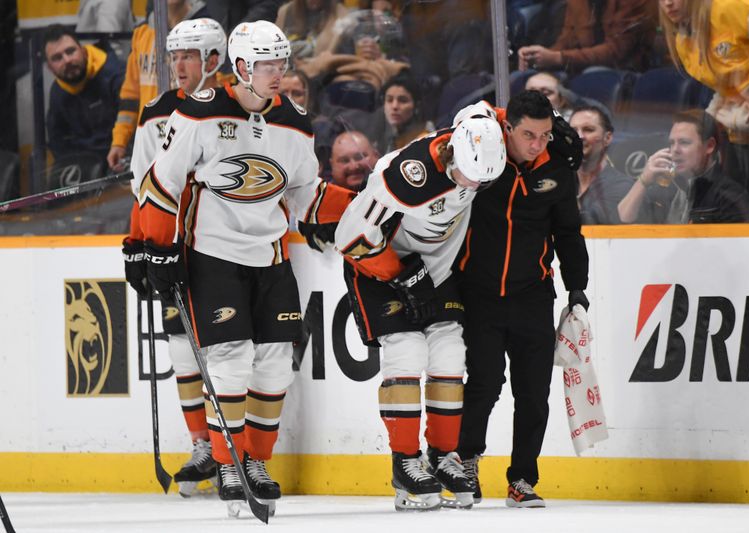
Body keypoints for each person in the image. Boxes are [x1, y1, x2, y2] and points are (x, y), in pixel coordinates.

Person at [137, 20, 354, 515]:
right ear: (240, 67)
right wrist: (156, 248)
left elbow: (305, 194)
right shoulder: (199, 112)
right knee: (231, 360)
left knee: (277, 362)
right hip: (212, 255)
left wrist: (360, 207)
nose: (278, 73)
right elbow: (160, 184)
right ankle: (227, 462)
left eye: (282, 63)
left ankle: (255, 459)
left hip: (271, 255)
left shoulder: (294, 122)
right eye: (266, 65)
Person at [334, 115, 510, 511]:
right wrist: (402, 275)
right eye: (468, 175)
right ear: (451, 155)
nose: (473, 186)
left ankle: (443, 455)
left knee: (449, 350)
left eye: (483, 181)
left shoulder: (476, 150)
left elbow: (489, 114)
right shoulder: (405, 178)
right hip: (380, 268)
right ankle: (405, 461)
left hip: (433, 270)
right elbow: (350, 238)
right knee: (407, 351)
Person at [453, 91, 589, 508]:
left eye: (545, 135)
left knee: (533, 392)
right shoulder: (479, 154)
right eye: (528, 134)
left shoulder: (558, 169)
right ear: (506, 129)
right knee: (484, 383)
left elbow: (568, 232)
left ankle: (523, 478)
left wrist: (577, 288)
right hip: (478, 293)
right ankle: (467, 460)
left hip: (533, 293)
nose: (537, 144)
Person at [122, 17, 227, 497]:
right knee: (184, 350)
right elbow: (143, 186)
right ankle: (203, 446)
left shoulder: (236, 106)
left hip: (224, 246)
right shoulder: (156, 112)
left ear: (214, 59)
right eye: (173, 56)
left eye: (188, 55)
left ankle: (231, 448)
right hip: (174, 249)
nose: (178, 65)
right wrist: (138, 244)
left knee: (227, 352)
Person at [659, 0, 749, 198]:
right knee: (742, 209)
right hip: (744, 133)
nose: (668, 3)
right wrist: (704, 122)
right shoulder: (682, 42)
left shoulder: (733, 7)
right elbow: (724, 90)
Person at [106, 0, 210, 172]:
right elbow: (130, 96)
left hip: (191, 147)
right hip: (150, 146)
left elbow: (216, 90)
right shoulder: (142, 34)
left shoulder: (208, 34)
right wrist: (119, 140)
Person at [618, 109, 749, 224]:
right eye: (672, 143)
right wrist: (644, 180)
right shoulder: (668, 186)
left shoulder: (731, 197)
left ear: (709, 146)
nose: (675, 150)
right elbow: (625, 218)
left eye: (684, 142)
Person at [42, 24, 125, 164]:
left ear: (83, 51)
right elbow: (58, 142)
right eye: (57, 58)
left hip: (121, 161)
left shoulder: (116, 74)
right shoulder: (57, 91)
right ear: (50, 68)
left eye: (70, 51)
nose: (67, 60)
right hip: (85, 169)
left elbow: (135, 126)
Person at [516, 0, 657, 74]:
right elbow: (567, 39)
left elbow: (616, 51)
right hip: (581, 67)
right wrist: (538, 56)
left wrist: (559, 58)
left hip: (626, 71)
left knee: (594, 74)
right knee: (523, 77)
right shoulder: (577, 2)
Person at [570, 104, 634, 224]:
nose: (579, 136)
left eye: (588, 130)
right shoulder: (557, 177)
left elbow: (591, 224)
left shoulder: (622, 186)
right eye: (572, 131)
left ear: (607, 138)